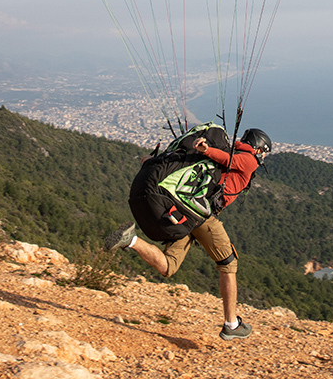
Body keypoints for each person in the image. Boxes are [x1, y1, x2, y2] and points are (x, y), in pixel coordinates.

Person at [106, 127, 272, 341]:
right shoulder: (248, 159)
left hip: (185, 209)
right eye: (264, 152)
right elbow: (227, 160)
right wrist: (206, 150)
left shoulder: (230, 149)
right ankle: (232, 324)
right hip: (201, 216)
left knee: (169, 266)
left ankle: (131, 240)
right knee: (228, 264)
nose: (264, 157)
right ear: (259, 149)